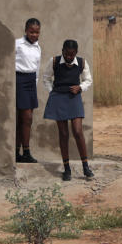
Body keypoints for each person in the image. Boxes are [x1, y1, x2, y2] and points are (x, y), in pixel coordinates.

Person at [42, 39, 93, 181]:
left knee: (77, 131)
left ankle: (86, 167)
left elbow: (88, 80)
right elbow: (46, 78)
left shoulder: (82, 62)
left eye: (72, 55)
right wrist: (53, 92)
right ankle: (67, 169)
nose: (69, 57)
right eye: (67, 54)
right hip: (59, 98)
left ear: (76, 53)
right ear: (62, 50)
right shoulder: (54, 61)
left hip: (74, 97)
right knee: (63, 133)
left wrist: (80, 87)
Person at [15, 18, 42, 164]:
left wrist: (35, 83)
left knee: (25, 119)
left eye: (37, 32)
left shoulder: (38, 48)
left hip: (31, 82)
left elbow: (37, 69)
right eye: (31, 31)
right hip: (20, 80)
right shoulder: (17, 44)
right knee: (26, 117)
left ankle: (19, 152)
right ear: (26, 30)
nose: (34, 35)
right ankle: (24, 151)